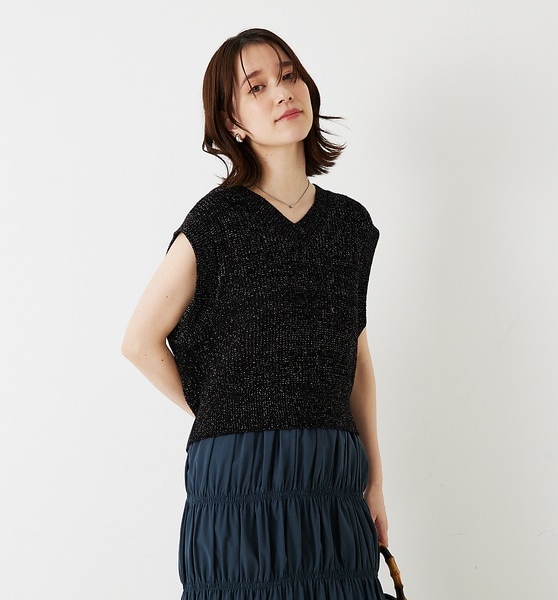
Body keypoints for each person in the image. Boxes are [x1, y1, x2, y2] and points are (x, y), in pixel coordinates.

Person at [122, 27, 388, 599]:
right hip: (239, 475)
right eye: (257, 86)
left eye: (289, 76)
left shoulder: (350, 225)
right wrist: (224, 409)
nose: (282, 92)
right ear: (233, 122)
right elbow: (139, 341)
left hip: (332, 470)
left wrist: (376, 483)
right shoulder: (216, 220)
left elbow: (357, 360)